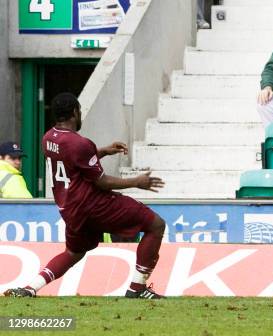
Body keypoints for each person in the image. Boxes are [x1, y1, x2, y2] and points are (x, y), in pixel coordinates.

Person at [4, 93, 166, 299]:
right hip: (95, 205)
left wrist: (103, 152)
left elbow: (73, 159)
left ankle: (29, 289)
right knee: (155, 225)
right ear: (74, 112)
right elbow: (101, 181)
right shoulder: (80, 143)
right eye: (79, 111)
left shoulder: (48, 138)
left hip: (70, 210)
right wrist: (136, 182)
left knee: (73, 253)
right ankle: (137, 289)